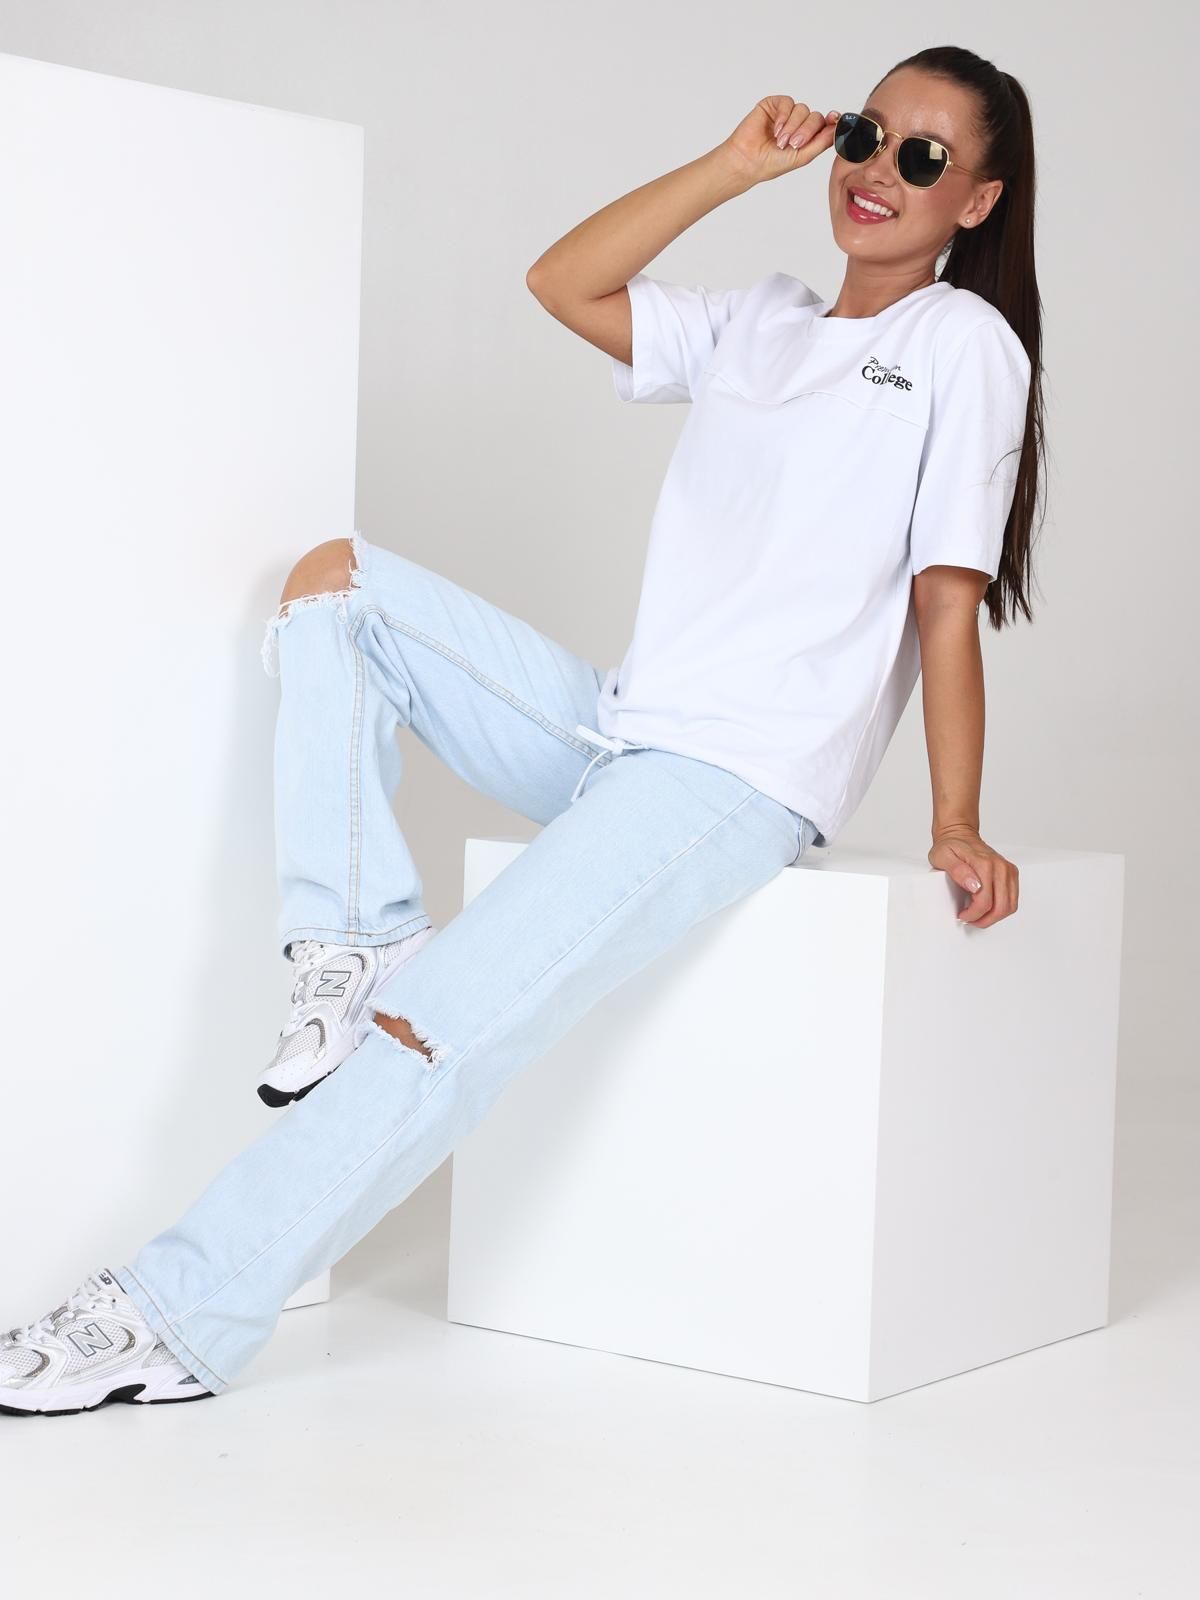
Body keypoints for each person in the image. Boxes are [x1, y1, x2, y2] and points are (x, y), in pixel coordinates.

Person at [1, 43, 1044, 1416]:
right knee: (338, 588)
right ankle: (354, 938)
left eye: (923, 157)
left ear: (976, 200)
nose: (877, 170)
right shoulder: (763, 321)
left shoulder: (963, 345)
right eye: (866, 133)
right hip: (620, 730)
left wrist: (957, 820)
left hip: (733, 780)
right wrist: (734, 165)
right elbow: (563, 282)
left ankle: (174, 1314)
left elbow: (946, 603)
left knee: (440, 1027)